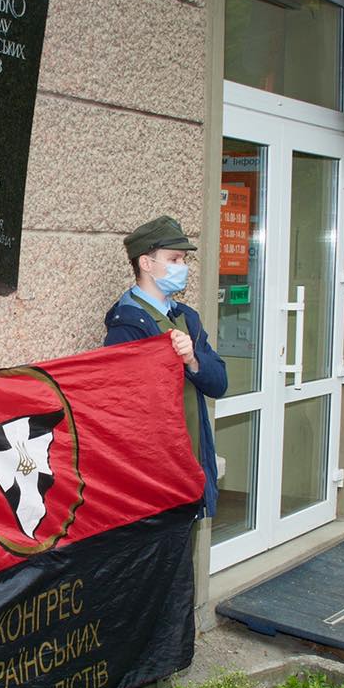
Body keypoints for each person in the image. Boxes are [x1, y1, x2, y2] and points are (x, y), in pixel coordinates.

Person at [104, 216, 228, 518]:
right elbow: (124, 407)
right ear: (146, 263)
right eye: (173, 259)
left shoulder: (185, 317)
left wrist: (192, 360)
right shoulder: (128, 325)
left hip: (190, 460)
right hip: (158, 474)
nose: (181, 267)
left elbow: (219, 383)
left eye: (183, 259)